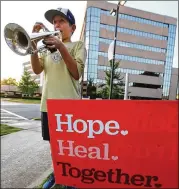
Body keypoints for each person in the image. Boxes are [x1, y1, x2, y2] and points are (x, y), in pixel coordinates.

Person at [30, 7, 86, 189]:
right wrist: (33, 47)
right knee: (55, 148)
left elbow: (76, 73)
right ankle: (59, 174)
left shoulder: (78, 46)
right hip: (48, 105)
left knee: (71, 148)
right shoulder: (46, 49)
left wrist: (61, 46)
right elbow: (37, 70)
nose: (56, 25)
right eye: (54, 22)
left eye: (61, 21)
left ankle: (72, 180)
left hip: (70, 107)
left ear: (73, 27)